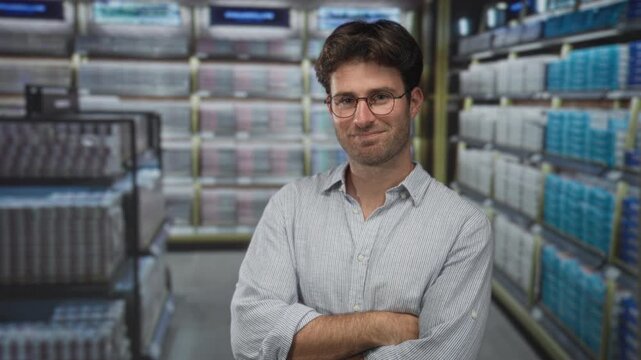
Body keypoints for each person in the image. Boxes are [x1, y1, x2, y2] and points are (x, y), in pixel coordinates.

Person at [230, 20, 493, 360]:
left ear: (413, 102)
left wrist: (305, 346)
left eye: (381, 97)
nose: (362, 117)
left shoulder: (463, 228)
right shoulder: (289, 207)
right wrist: (378, 327)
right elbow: (250, 339)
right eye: (346, 100)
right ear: (330, 107)